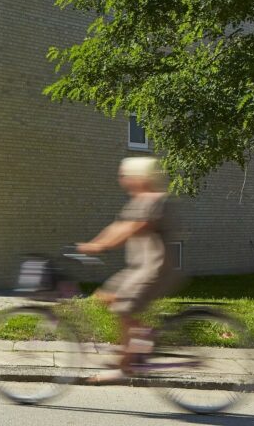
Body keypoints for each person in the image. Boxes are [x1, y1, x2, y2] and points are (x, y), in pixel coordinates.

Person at [77, 155, 181, 382]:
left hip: (155, 268)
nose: (122, 180)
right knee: (104, 296)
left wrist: (102, 246)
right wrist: (91, 244)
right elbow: (118, 226)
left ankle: (127, 364)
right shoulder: (138, 200)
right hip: (138, 268)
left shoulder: (155, 199)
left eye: (126, 176)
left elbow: (135, 227)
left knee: (124, 309)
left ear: (140, 177)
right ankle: (140, 343)